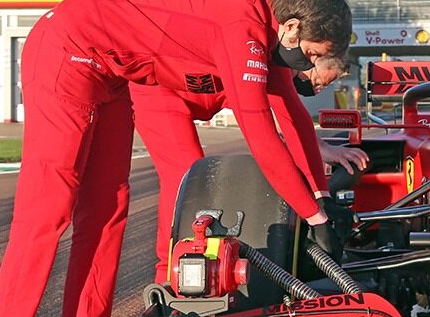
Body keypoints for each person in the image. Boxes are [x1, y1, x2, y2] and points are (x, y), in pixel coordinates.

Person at [0, 0, 352, 317]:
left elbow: (293, 118)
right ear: (291, 26)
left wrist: (321, 198)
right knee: (48, 209)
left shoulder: (265, 27)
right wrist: (313, 216)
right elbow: (261, 133)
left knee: (108, 208)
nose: (306, 66)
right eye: (309, 55)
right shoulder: (243, 29)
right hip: (67, 49)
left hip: (114, 75)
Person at [130, 57, 369, 283]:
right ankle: (168, 276)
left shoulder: (277, 66)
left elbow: (287, 117)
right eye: (320, 82)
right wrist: (315, 206)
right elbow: (273, 131)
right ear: (310, 57)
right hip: (159, 89)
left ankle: (211, 268)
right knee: (186, 179)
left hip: (202, 85)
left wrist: (320, 165)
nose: (317, 90)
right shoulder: (273, 60)